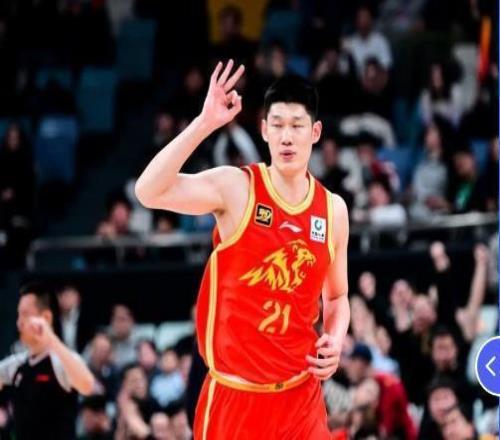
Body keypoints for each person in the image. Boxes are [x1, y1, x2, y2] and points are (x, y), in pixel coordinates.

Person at [135, 60, 350, 439]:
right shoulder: (237, 188)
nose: (287, 137)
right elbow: (148, 191)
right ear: (264, 130)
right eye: (278, 125)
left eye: (297, 126)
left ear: (315, 132)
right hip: (235, 398)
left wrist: (335, 337)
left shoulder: (333, 210)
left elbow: (337, 297)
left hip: (301, 399)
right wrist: (204, 123)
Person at [0, 282, 95, 440]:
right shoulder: (16, 364)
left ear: (46, 317)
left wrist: (50, 338)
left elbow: (87, 385)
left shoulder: (61, 361)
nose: (19, 322)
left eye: (25, 314)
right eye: (18, 315)